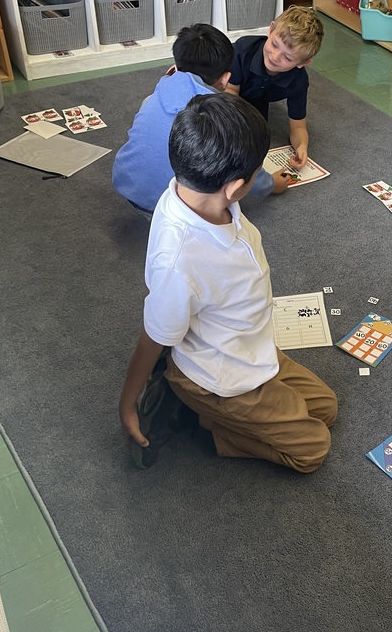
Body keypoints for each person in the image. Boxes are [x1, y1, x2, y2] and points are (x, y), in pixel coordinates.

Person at [119, 92, 338, 470]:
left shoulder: (194, 192)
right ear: (236, 187)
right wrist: (128, 402)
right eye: (258, 173)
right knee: (313, 449)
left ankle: (217, 412)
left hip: (247, 345)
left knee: (326, 408)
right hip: (218, 378)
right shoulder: (180, 260)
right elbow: (153, 336)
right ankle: (204, 420)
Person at [112, 24, 290, 215]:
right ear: (225, 80)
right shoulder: (222, 121)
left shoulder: (156, 94)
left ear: (176, 66)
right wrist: (272, 184)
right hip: (168, 208)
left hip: (125, 182)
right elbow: (246, 164)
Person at [227, 6, 324, 171]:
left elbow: (298, 126)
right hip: (226, 86)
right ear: (270, 30)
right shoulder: (242, 50)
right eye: (274, 44)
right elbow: (230, 92)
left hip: (257, 99)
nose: (275, 56)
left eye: (287, 57)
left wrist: (301, 147)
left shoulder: (298, 81)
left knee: (259, 131)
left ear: (302, 63)